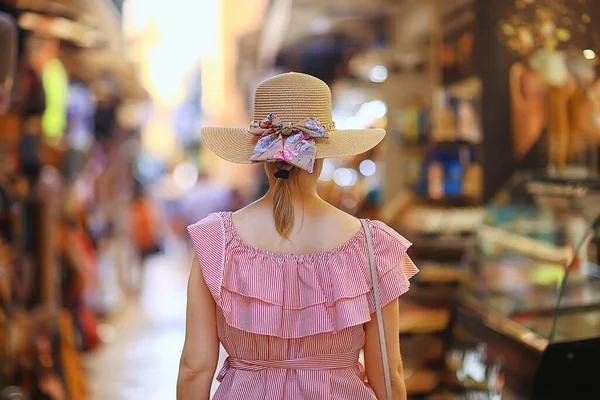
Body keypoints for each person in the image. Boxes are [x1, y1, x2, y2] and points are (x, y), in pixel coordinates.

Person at [177, 72, 418, 400]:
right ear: (320, 157)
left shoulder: (215, 242)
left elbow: (194, 368)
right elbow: (389, 373)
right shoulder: (373, 246)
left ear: (261, 158)